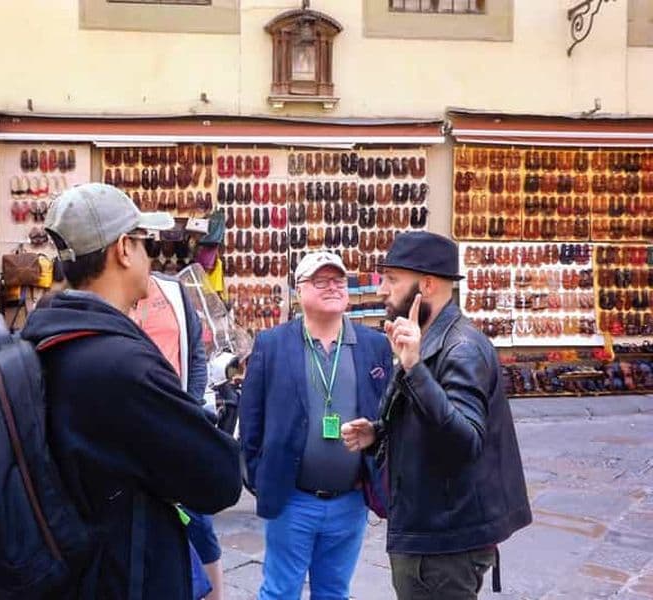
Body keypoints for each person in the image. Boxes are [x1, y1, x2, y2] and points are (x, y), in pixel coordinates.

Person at [21, 183, 242, 599]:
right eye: (143, 242)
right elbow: (220, 480)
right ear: (123, 249)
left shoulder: (42, 339)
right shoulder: (122, 364)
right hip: (124, 577)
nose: (149, 254)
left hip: (73, 570)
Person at [341, 231, 532, 599]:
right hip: (430, 528)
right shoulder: (427, 338)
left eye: (393, 279)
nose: (382, 289)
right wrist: (379, 432)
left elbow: (465, 441)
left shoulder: (461, 349)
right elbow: (428, 420)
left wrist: (413, 368)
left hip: (445, 542)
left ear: (426, 285)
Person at [239, 251, 392, 600]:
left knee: (334, 592)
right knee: (280, 591)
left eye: (338, 281)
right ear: (299, 290)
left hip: (350, 502)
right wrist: (261, 478)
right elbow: (251, 421)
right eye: (320, 281)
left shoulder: (374, 346)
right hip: (293, 500)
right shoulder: (272, 344)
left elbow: (389, 416)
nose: (333, 287)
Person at [129, 273, 225, 600]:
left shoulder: (172, 290)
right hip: (132, 428)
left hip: (178, 424)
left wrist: (192, 407)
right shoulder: (107, 294)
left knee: (199, 523)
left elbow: (196, 354)